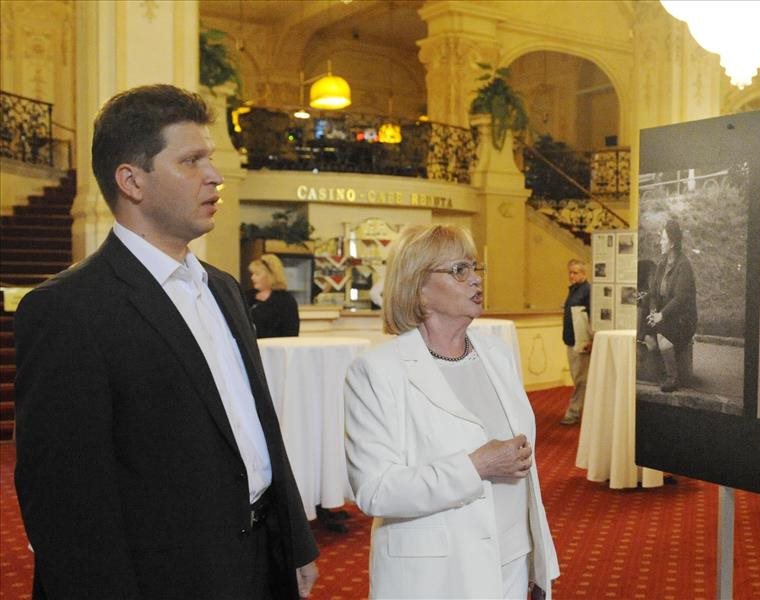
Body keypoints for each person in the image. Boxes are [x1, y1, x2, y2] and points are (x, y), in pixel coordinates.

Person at [13, 84, 318, 598]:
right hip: (168, 578)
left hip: (261, 559)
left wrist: (294, 542)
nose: (215, 175)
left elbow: (255, 425)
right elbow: (66, 504)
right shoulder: (68, 309)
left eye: (210, 158)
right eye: (191, 160)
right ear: (132, 180)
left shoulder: (223, 288)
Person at [343, 224, 559, 599]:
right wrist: (476, 466)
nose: (476, 279)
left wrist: (537, 561)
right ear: (419, 290)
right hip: (436, 575)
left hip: (511, 562)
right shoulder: (377, 371)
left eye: (475, 267)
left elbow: (526, 472)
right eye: (459, 270)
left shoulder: (497, 355)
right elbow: (375, 490)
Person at [643, 218, 697, 393]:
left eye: (663, 239)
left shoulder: (684, 266)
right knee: (648, 338)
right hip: (664, 315)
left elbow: (680, 299)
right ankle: (661, 375)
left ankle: (673, 378)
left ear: (672, 243)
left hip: (682, 319)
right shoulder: (662, 263)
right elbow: (653, 293)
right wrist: (653, 311)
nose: (660, 242)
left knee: (662, 336)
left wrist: (661, 315)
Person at [560, 258, 591, 425]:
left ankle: (573, 412)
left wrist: (590, 340)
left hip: (581, 342)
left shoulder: (587, 291)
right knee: (577, 378)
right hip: (571, 340)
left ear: (583, 274)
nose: (572, 275)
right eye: (570, 272)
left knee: (581, 380)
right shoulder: (574, 290)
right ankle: (583, 411)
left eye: (575, 272)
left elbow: (592, 317)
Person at [246, 253, 300, 338]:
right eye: (252, 274)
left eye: (257, 274)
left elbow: (291, 333)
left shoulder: (286, 301)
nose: (252, 278)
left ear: (271, 276)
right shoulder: (248, 296)